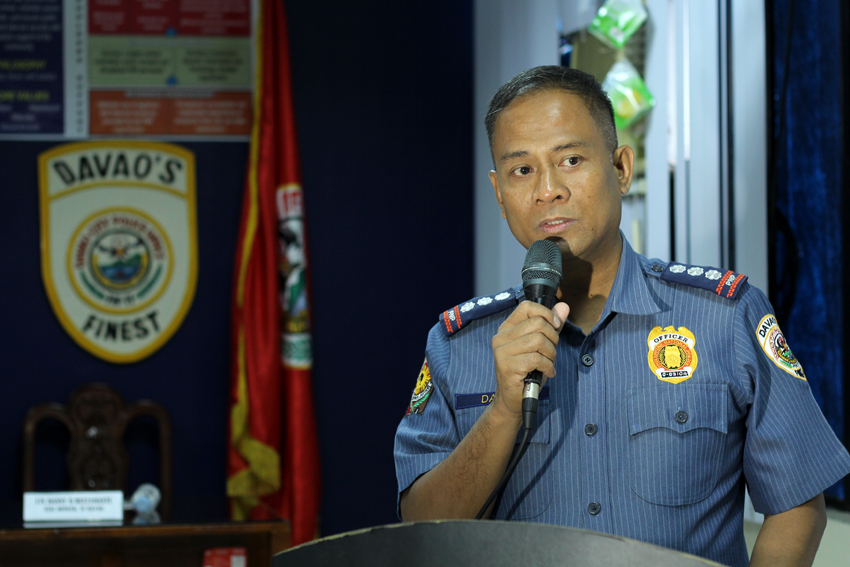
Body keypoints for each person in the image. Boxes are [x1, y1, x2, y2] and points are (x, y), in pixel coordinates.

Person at [393, 66, 850, 567]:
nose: (548, 190)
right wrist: (503, 409)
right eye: (522, 170)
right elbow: (421, 531)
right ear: (500, 193)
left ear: (621, 168)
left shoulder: (725, 316)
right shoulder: (458, 345)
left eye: (570, 159)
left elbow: (798, 504)